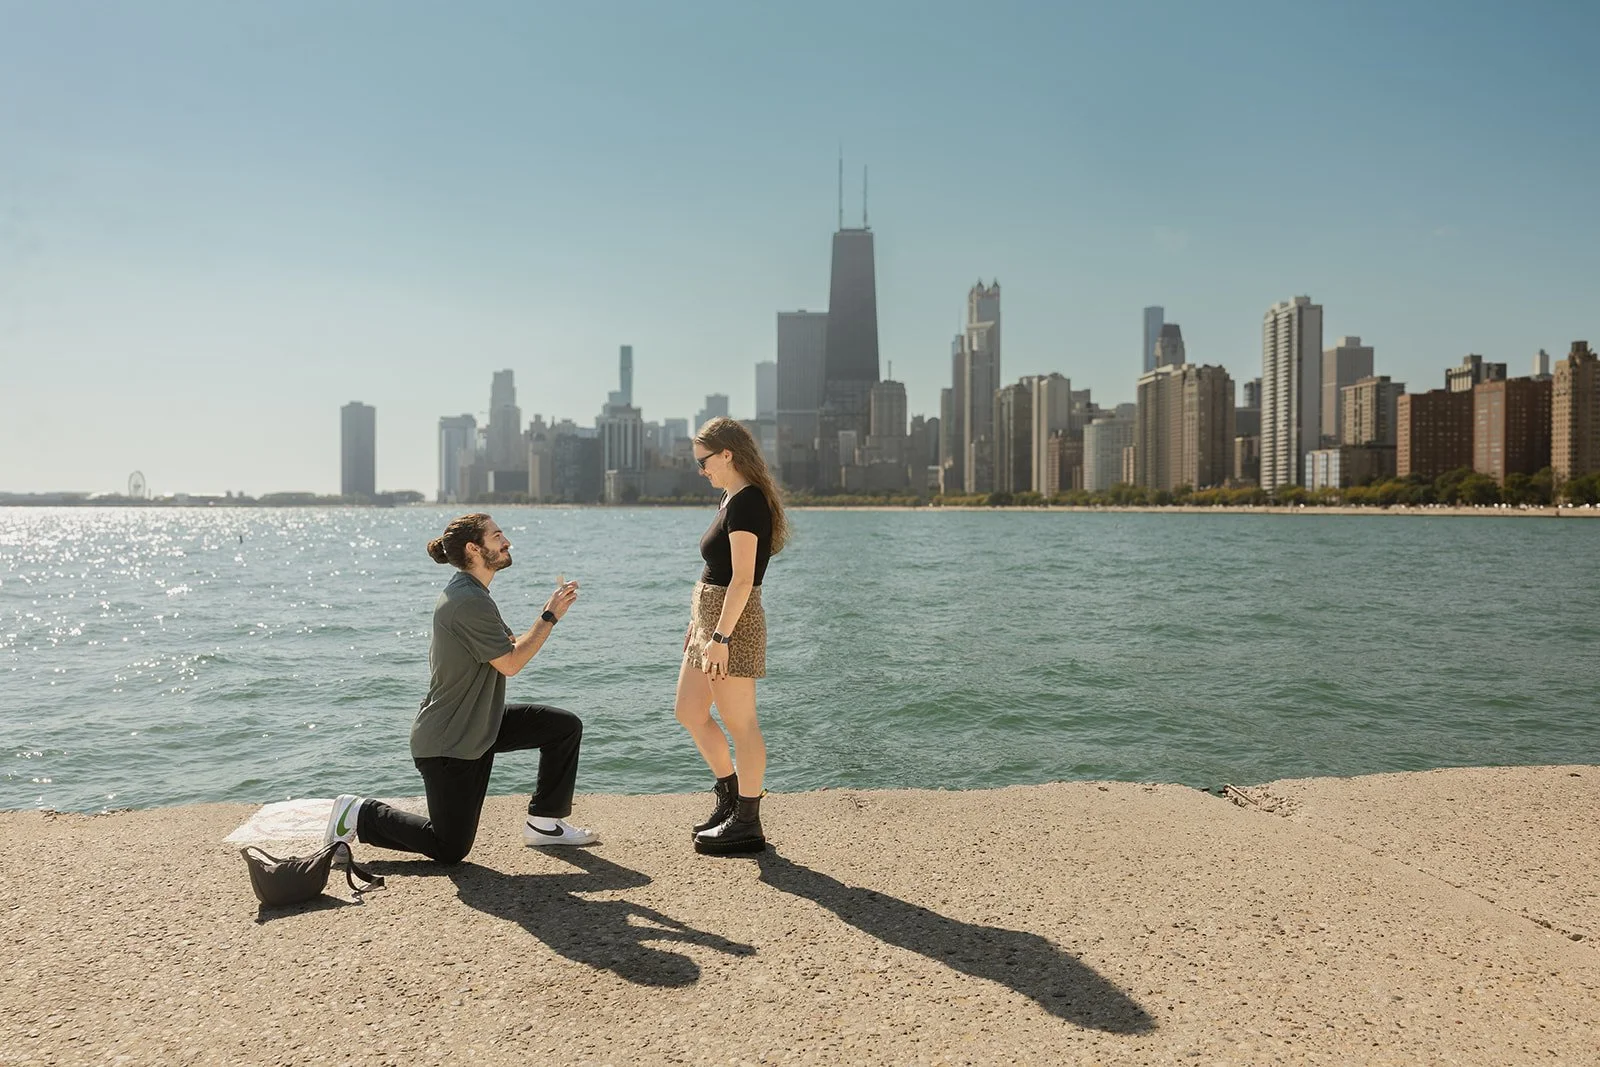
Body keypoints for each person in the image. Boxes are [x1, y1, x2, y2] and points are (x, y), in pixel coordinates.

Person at [324, 513, 597, 864]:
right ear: (474, 548)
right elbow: (511, 663)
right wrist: (549, 616)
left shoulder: (474, 595)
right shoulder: (468, 600)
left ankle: (544, 823)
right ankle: (359, 814)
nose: (506, 541)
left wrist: (546, 616)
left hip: (479, 724)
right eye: (497, 536)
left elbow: (507, 645)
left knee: (562, 728)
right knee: (449, 847)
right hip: (450, 741)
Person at [676, 416, 788, 854]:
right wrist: (697, 627)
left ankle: (748, 822)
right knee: (689, 710)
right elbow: (715, 571)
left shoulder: (748, 503)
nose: (700, 470)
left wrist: (720, 637)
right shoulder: (729, 496)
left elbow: (742, 579)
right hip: (710, 623)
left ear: (728, 454)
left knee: (742, 725)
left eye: (704, 461)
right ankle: (729, 798)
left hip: (732, 626)